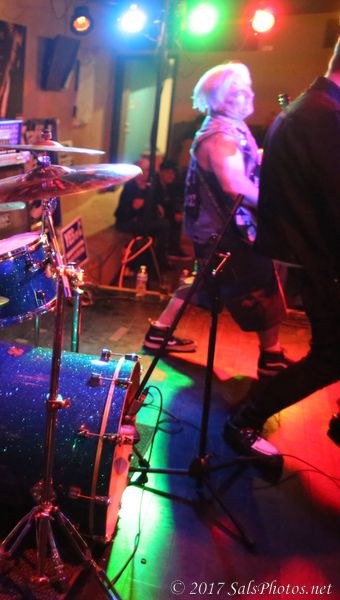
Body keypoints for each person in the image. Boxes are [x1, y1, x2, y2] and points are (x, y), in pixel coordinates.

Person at [223, 38, 340, 460]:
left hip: (317, 255)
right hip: (325, 258)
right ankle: (245, 419)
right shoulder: (321, 117)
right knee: (330, 357)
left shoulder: (313, 110)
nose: (249, 97)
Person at [142, 62, 291, 379]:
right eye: (239, 90)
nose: (249, 94)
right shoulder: (220, 137)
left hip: (216, 231)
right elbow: (234, 184)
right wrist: (276, 205)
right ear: (221, 97)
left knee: (203, 283)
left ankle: (159, 332)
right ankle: (271, 355)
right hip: (226, 233)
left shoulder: (229, 127)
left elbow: (241, 164)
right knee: (261, 288)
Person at [113, 155, 171, 270]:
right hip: (127, 222)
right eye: (144, 170)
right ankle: (155, 263)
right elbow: (121, 214)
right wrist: (133, 207)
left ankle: (154, 261)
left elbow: (155, 203)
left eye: (148, 170)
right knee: (163, 226)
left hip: (143, 220)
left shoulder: (150, 186)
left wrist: (157, 207)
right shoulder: (130, 187)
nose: (146, 173)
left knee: (163, 225)